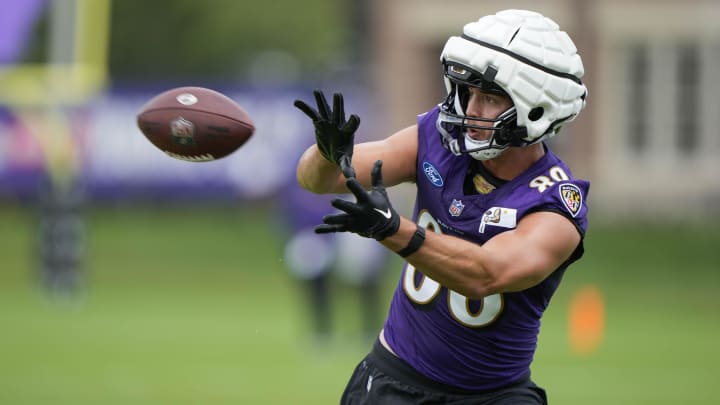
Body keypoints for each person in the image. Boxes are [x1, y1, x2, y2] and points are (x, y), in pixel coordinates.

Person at [294, 9, 589, 405]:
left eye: (487, 97)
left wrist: (390, 228)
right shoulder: (438, 137)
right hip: (394, 383)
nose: (470, 110)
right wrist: (326, 154)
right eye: (467, 93)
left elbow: (486, 274)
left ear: (537, 107)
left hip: (494, 397)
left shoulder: (555, 201)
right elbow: (320, 180)